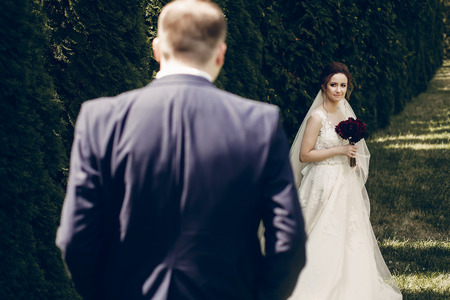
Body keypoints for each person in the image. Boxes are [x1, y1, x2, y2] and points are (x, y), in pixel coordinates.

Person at [56, 0, 306, 299]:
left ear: (157, 49)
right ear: (221, 54)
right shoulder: (259, 123)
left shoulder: (101, 120)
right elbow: (288, 241)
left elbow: (76, 239)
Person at [288, 62, 402, 299]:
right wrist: (339, 151)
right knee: (319, 230)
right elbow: (304, 155)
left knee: (348, 232)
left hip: (344, 182)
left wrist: (353, 158)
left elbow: (352, 149)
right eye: (333, 85)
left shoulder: (345, 113)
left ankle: (350, 284)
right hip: (321, 181)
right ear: (324, 86)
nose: (338, 90)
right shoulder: (316, 117)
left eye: (343, 85)